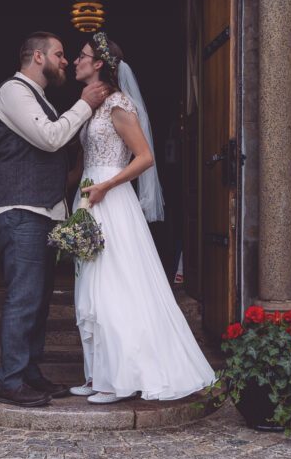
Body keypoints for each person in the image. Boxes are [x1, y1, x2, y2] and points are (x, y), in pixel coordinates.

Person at [70, 32, 216, 403]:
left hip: (112, 199)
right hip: (90, 197)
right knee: (91, 287)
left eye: (82, 56)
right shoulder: (91, 105)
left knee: (114, 286)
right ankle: (98, 373)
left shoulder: (119, 103)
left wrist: (107, 186)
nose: (75, 61)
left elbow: (145, 157)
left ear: (99, 63)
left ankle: (117, 380)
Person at [0, 30, 108, 408]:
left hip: (42, 211)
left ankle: (29, 373)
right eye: (58, 54)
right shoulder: (13, 91)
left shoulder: (39, 97)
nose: (64, 60)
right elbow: (49, 138)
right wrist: (85, 104)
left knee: (38, 300)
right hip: (19, 210)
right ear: (37, 57)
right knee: (24, 298)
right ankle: (9, 381)